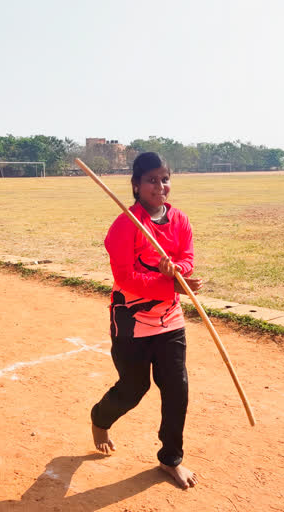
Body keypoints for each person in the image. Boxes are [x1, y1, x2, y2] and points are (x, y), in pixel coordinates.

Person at [90, 152, 203, 489]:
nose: (160, 186)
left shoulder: (179, 219)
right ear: (136, 185)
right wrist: (171, 282)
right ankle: (100, 418)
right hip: (131, 321)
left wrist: (179, 271)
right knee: (134, 388)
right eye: (152, 180)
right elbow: (126, 277)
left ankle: (171, 459)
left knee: (177, 389)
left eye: (164, 178)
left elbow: (187, 258)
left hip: (169, 319)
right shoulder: (125, 225)